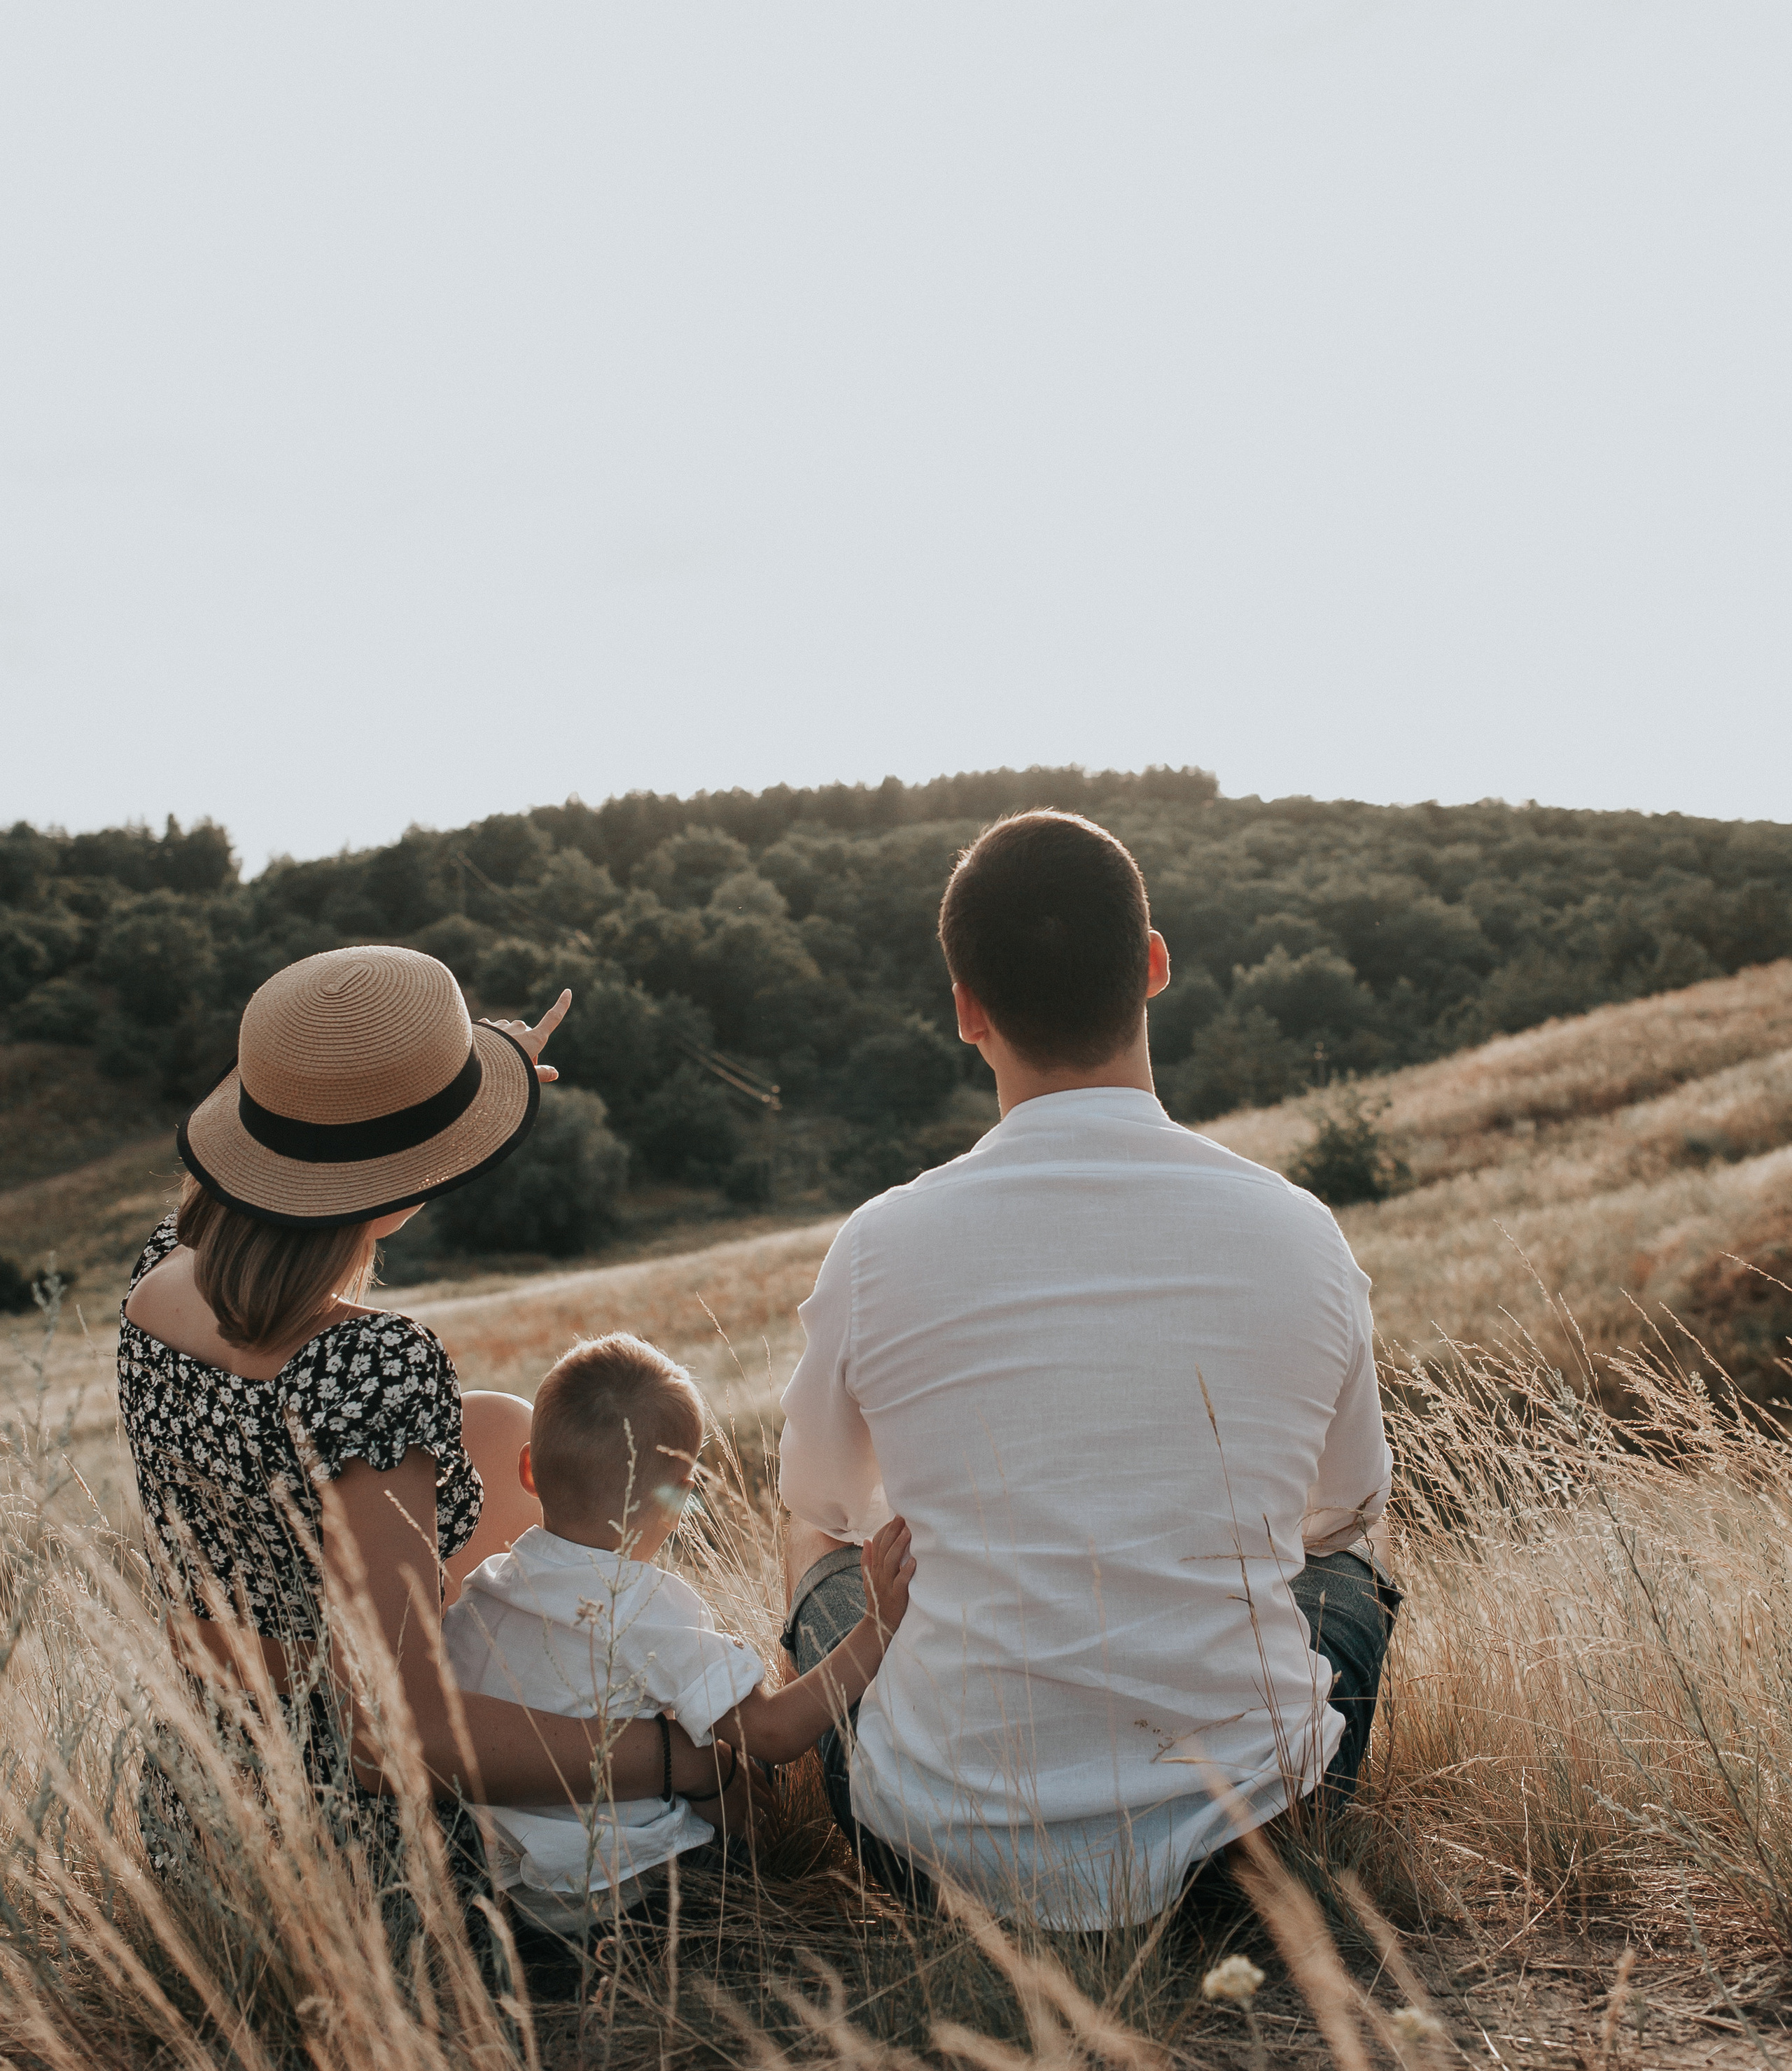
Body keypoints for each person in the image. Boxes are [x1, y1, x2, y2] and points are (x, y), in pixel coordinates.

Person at [778, 809, 1399, 1930]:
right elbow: (1344, 1512)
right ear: (1154, 965)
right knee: (1351, 1574)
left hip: (933, 1851)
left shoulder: (877, 1245)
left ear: (967, 1010)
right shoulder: (1302, 1232)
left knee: (821, 1564)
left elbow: (821, 1508)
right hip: (1250, 1833)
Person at [118, 943, 752, 1905]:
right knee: (502, 1445)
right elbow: (387, 1741)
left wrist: (470, 1062)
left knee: (495, 1430)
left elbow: (298, 1102)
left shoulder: (163, 1264)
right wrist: (673, 1759)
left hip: (197, 1782)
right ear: (405, 1178)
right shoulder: (372, 1365)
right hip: (321, 1830)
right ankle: (600, 1696)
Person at [442, 1331, 913, 1931]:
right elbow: (772, 1732)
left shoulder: (486, 1587)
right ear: (676, 1500)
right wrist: (876, 1625)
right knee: (748, 1762)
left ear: (528, 1470)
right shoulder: (648, 1607)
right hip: (633, 1891)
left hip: (511, 1890)